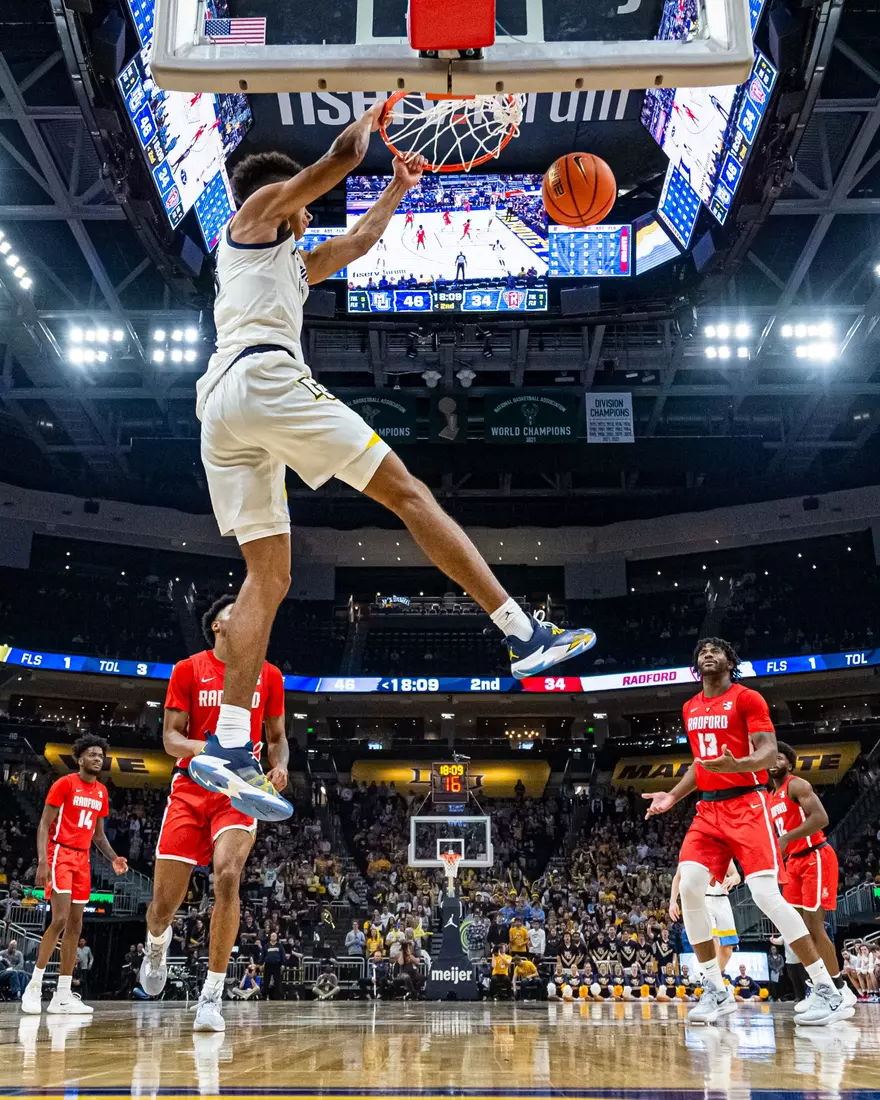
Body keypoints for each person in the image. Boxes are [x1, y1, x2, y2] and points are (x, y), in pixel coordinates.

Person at [189, 107, 597, 822]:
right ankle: (520, 632)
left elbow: (363, 239)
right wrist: (373, 111)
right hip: (263, 380)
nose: (309, 208)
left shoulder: (288, 263)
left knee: (268, 574)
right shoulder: (252, 216)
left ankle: (226, 744)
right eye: (300, 198)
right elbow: (336, 160)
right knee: (409, 494)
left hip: (223, 408)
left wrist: (401, 187)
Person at [643, 637, 852, 1026]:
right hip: (709, 809)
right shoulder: (690, 707)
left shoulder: (747, 698)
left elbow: (768, 751)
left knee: (765, 895)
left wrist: (735, 764)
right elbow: (699, 763)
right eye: (701, 650)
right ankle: (715, 991)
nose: (707, 653)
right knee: (689, 884)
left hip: (747, 805)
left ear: (729, 660)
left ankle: (828, 990)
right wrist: (672, 796)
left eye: (715, 650)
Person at [138, 595, 288, 1032]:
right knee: (163, 905)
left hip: (239, 789)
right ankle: (156, 942)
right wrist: (213, 751)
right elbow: (171, 739)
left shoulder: (271, 675)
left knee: (228, 875)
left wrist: (279, 765)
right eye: (236, 616)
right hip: (191, 787)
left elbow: (277, 736)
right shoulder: (188, 669)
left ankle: (212, 995)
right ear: (218, 628)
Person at [22, 735, 127, 1015]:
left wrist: (114, 858)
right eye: (92, 755)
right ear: (80, 759)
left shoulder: (102, 792)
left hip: (82, 858)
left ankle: (63, 995)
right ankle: (33, 987)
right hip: (60, 853)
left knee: (76, 924)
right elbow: (44, 824)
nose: (97, 759)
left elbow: (99, 835)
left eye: (100, 756)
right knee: (59, 918)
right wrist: (43, 861)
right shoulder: (64, 784)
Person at [768, 740, 857, 1014]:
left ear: (790, 764)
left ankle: (840, 989)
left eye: (780, 757)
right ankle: (822, 986)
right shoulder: (770, 797)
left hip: (815, 855)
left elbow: (821, 818)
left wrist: (786, 838)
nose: (774, 761)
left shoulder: (797, 785)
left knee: (814, 926)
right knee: (795, 928)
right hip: (793, 862)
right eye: (772, 757)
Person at [669, 859, 740, 972]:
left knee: (728, 948)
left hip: (723, 900)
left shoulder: (724, 851)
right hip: (704, 899)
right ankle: (712, 977)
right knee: (713, 940)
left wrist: (732, 879)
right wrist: (673, 901)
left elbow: (736, 876)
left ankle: (714, 978)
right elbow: (678, 877)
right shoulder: (694, 850)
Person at [260, 931, 286, 1000]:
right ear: (270, 937)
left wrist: (283, 964)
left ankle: (279, 996)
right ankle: (264, 995)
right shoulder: (266, 946)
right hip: (268, 965)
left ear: (277, 937)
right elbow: (263, 955)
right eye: (272, 936)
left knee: (277, 981)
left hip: (277, 965)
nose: (274, 937)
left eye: (275, 936)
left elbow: (282, 955)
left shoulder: (280, 946)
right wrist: (260, 964)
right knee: (266, 981)